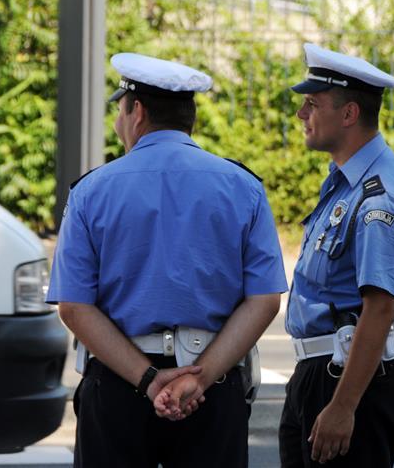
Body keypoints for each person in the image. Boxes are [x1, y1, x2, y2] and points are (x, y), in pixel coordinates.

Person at [47, 52, 287, 468]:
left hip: (118, 390)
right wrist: (201, 377)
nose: (119, 124)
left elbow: (74, 307)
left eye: (119, 113)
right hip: (213, 387)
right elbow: (264, 300)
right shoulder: (243, 187)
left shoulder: (91, 192)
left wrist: (148, 378)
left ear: (137, 112)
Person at [278, 43, 394, 468]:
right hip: (322, 373)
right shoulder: (346, 181)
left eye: (312, 104)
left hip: (347, 379)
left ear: (348, 114)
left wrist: (343, 407)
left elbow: (379, 308)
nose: (302, 115)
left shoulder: (381, 195)